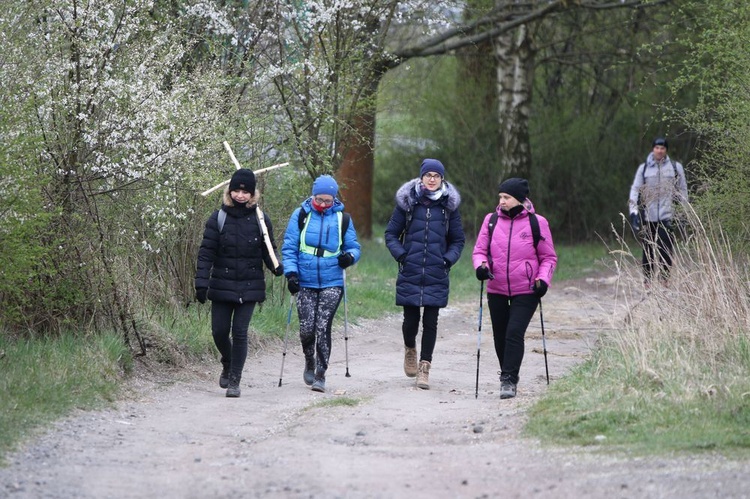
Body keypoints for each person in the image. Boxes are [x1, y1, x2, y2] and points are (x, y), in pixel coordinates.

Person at [195, 168, 284, 398]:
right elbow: (206, 253)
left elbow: (268, 249)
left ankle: (235, 379)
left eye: (245, 191)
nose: (241, 195)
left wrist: (276, 266)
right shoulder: (218, 219)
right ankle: (227, 360)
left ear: (253, 194)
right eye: (236, 190)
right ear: (229, 191)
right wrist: (201, 283)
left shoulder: (261, 220)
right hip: (222, 283)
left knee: (240, 332)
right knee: (219, 331)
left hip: (249, 284)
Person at [472, 178, 557, 399]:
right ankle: (507, 373)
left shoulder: (537, 222)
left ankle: (508, 379)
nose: (501, 201)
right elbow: (479, 251)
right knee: (500, 336)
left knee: (513, 332)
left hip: (527, 289)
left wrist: (543, 280)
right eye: (500, 197)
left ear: (519, 199)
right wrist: (481, 267)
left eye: (506, 197)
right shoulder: (490, 221)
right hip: (496, 287)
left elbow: (548, 257)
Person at [384, 159, 465, 390]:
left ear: (442, 179)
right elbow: (391, 233)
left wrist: (447, 259)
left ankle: (424, 367)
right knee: (410, 321)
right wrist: (402, 256)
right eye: (428, 175)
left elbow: (458, 239)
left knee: (431, 321)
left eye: (436, 175)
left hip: (436, 272)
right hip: (410, 269)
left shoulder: (449, 207)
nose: (432, 179)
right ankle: (410, 348)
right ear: (421, 177)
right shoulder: (408, 203)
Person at [281, 175, 361, 393]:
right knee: (306, 328)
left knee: (322, 326)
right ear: (313, 195)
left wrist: (350, 257)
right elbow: (289, 248)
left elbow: (354, 247)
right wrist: (291, 274)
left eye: (328, 200)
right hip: (305, 280)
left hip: (332, 280)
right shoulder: (301, 215)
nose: (323, 204)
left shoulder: (342, 219)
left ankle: (320, 374)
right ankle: (309, 359)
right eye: (319, 199)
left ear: (334, 198)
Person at [628, 137, 689, 284]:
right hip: (648, 216)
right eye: (657, 147)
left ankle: (664, 281)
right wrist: (633, 212)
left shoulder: (675, 167)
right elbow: (635, 190)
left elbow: (682, 190)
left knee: (665, 249)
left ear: (666, 150)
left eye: (662, 148)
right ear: (652, 149)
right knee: (647, 250)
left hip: (667, 215)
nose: (659, 150)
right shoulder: (644, 168)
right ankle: (648, 282)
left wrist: (683, 212)